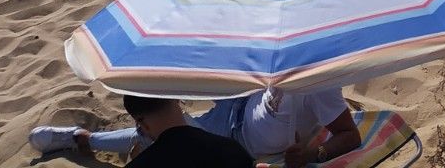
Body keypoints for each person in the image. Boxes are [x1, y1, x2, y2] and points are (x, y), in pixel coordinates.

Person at [31, 86, 358, 167]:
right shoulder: (274, 51)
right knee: (167, 121)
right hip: (234, 107)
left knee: (169, 132)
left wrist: (314, 153)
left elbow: (349, 135)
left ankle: (85, 139)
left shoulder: (319, 86)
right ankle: (88, 140)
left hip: (239, 139)